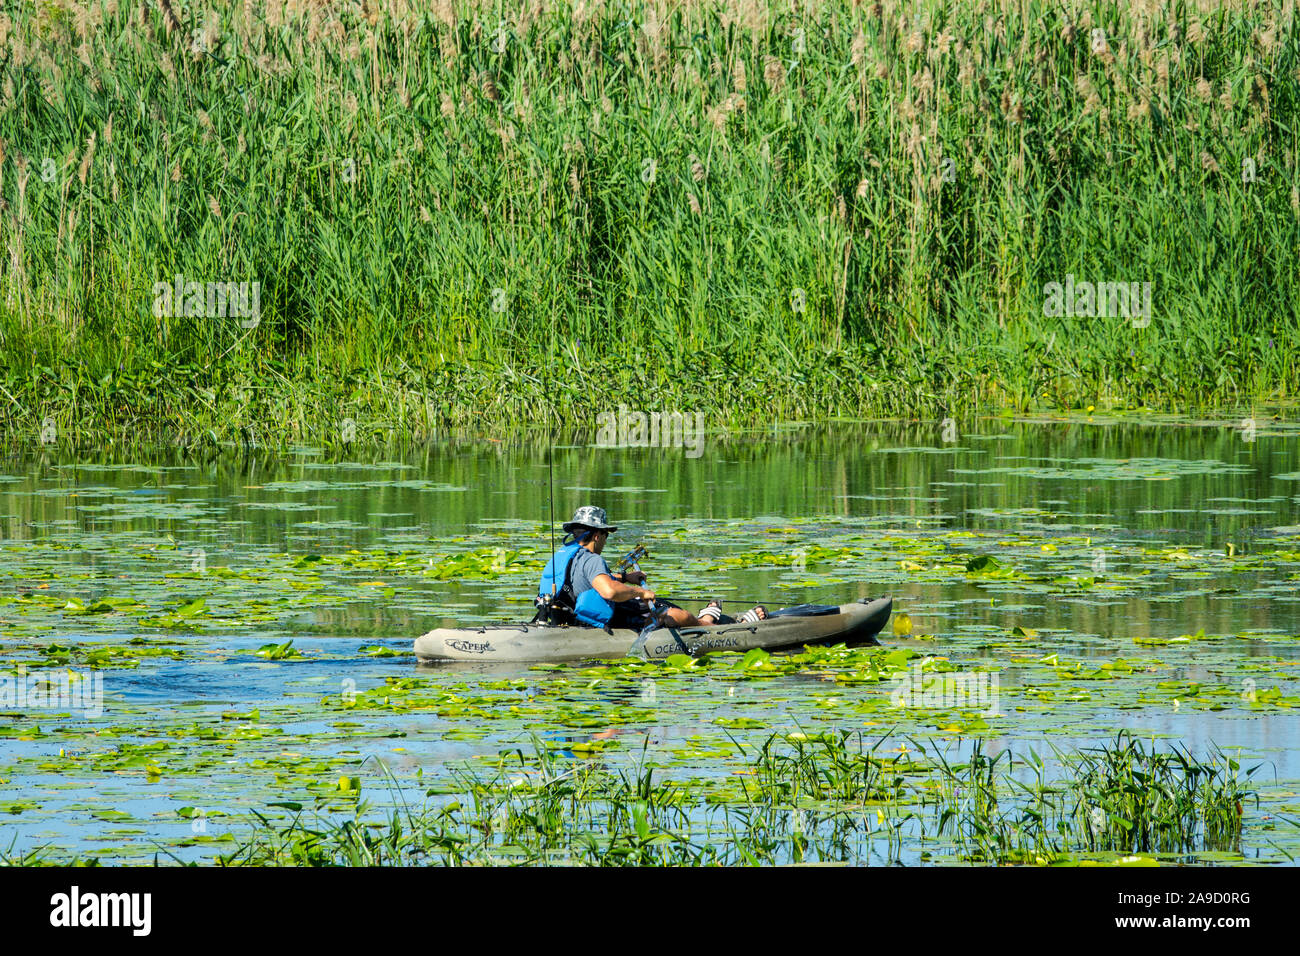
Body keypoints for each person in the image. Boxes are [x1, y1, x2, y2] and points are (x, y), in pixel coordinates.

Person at [536, 505, 766, 630]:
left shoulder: (563, 555)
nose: (606, 540)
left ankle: (706, 618)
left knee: (652, 605)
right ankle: (706, 623)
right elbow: (609, 591)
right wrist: (642, 592)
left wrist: (625, 577)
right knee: (669, 612)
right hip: (603, 619)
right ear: (597, 535)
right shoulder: (592, 559)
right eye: (605, 535)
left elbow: (585, 581)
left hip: (563, 617)